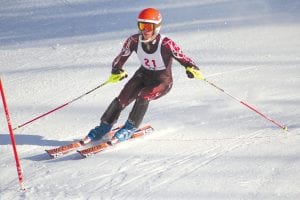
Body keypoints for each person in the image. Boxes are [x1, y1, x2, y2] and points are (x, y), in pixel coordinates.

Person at [80, 7, 203, 144]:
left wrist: (191, 69)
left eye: (149, 26)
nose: (144, 30)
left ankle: (130, 128)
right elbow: (121, 57)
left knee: (144, 96)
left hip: (162, 81)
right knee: (122, 98)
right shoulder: (133, 40)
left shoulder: (167, 44)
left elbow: (184, 59)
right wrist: (117, 69)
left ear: (157, 27)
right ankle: (103, 127)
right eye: (142, 26)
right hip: (143, 75)